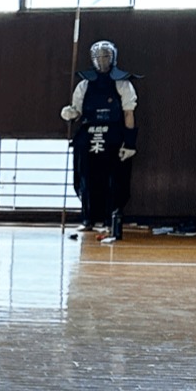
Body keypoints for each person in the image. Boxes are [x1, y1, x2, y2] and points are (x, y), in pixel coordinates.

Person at [60, 40, 138, 243]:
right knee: (85, 178)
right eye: (98, 57)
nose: (102, 61)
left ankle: (108, 219)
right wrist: (70, 113)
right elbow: (77, 111)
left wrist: (130, 143)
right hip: (88, 137)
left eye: (106, 56)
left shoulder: (122, 84)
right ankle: (87, 219)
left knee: (113, 180)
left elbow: (128, 113)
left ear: (113, 58)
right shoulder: (84, 84)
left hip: (113, 137)